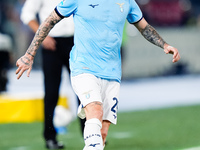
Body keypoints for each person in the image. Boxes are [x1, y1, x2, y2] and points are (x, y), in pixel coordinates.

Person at [16, 0, 181, 149]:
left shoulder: (128, 2)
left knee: (102, 132)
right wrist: (30, 54)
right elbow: (49, 20)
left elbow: (144, 27)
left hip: (112, 71)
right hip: (83, 67)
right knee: (94, 109)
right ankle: (50, 136)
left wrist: (164, 45)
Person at [20, 0, 85, 149]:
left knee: (84, 89)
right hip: (51, 41)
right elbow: (27, 14)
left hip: (77, 41)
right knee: (51, 92)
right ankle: (50, 138)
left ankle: (90, 134)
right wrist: (43, 36)